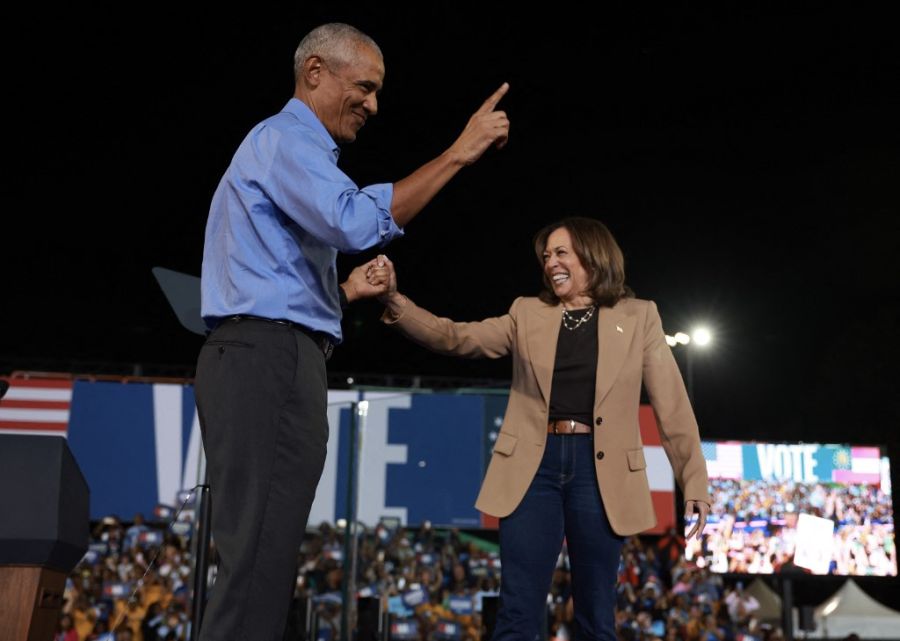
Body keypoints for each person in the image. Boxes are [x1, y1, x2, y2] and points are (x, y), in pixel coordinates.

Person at [194, 22, 510, 641]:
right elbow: (355, 222)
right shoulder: (286, 139)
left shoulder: (279, 151)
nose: (373, 104)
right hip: (270, 358)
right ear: (315, 72)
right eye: (363, 86)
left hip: (264, 352)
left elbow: (269, 278)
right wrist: (457, 153)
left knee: (262, 558)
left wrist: (340, 294)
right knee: (258, 557)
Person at [369, 217, 710, 640]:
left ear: (592, 255)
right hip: (534, 467)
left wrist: (693, 482)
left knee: (596, 612)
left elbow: (672, 405)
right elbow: (455, 337)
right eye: (546, 256)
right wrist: (395, 300)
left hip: (600, 474)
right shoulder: (527, 313)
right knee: (517, 608)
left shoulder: (640, 317)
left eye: (561, 252)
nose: (551, 263)